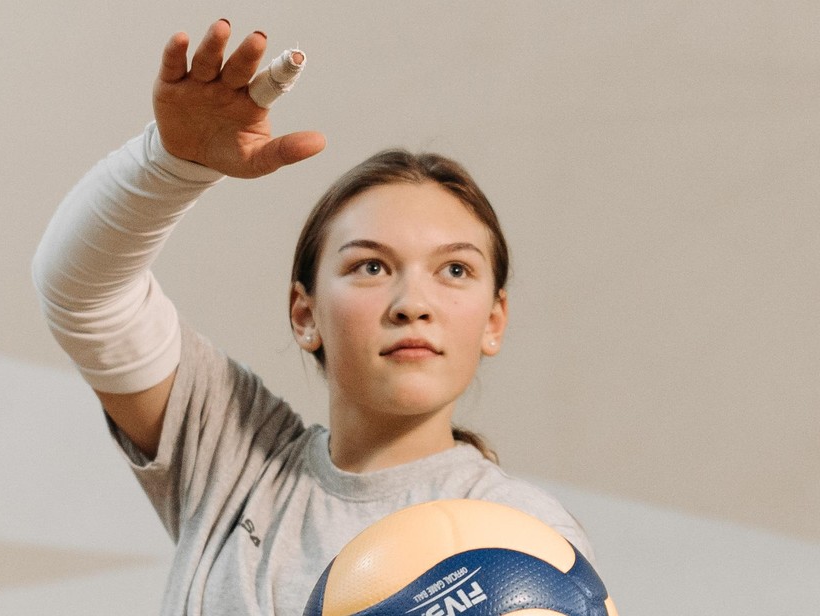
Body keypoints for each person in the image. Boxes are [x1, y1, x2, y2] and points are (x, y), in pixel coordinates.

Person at [33, 19, 594, 616]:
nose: (413, 303)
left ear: (494, 320)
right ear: (305, 314)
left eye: (454, 270)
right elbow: (84, 293)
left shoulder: (523, 543)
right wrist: (169, 165)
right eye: (371, 268)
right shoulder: (232, 459)